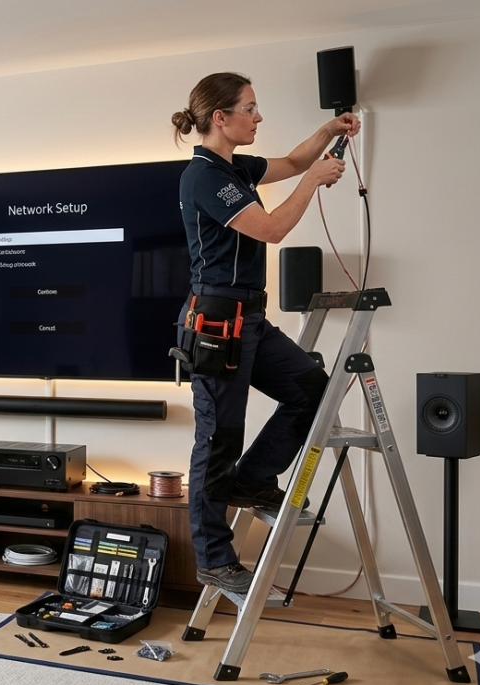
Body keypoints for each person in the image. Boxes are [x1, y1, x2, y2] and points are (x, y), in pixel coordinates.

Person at [170, 72, 360, 595]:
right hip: (216, 324)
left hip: (249, 317)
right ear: (220, 118)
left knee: (312, 391)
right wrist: (313, 182)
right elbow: (274, 229)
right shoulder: (206, 177)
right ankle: (213, 558)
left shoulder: (236, 167)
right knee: (216, 441)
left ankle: (252, 481)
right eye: (250, 109)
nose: (258, 117)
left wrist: (327, 130)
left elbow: (296, 161)